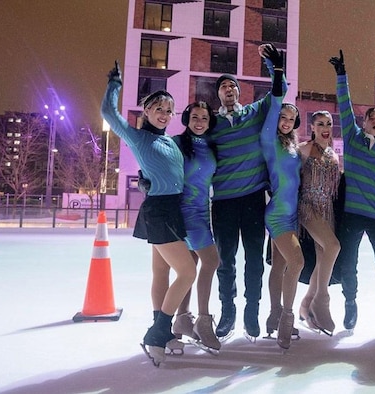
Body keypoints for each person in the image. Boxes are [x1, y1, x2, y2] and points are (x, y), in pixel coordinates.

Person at [101, 61, 197, 367]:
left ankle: (163, 332)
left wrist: (150, 180)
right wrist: (115, 83)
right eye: (159, 108)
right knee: (188, 272)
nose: (165, 114)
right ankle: (157, 333)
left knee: (162, 272)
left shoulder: (169, 140)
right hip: (159, 211)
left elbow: (170, 172)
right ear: (147, 111)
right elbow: (108, 114)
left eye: (169, 110)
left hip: (171, 208)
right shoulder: (139, 137)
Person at [208, 43, 286, 341]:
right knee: (225, 261)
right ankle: (228, 313)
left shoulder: (253, 113)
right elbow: (187, 148)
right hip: (224, 203)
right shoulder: (211, 124)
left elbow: (279, 94)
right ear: (218, 94)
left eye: (233, 85)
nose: (229, 88)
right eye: (224, 86)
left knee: (254, 260)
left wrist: (274, 67)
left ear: (239, 91)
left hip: (253, 200)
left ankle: (251, 312)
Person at [330, 50, 375, 334]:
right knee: (349, 262)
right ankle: (350, 304)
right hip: (352, 214)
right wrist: (341, 75)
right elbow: (344, 105)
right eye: (372, 117)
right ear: (364, 121)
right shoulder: (352, 138)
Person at [258, 47, 304, 349]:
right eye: (283, 117)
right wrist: (275, 69)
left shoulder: (292, 146)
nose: (286, 121)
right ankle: (287, 317)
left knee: (278, 267)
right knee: (297, 262)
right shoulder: (269, 140)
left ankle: (274, 315)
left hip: (293, 213)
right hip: (276, 214)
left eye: (291, 118)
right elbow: (275, 101)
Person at [168, 102, 222, 352]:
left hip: (204, 210)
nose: (199, 121)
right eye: (195, 117)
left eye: (204, 117)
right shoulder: (177, 144)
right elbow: (159, 166)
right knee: (211, 261)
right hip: (184, 211)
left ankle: (181, 319)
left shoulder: (211, 145)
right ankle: (203, 320)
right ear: (187, 119)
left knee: (191, 265)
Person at [297, 110, 341, 336]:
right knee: (333, 246)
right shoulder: (303, 150)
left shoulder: (334, 154)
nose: (325, 128)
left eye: (329, 124)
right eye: (320, 124)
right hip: (308, 208)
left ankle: (306, 305)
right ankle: (321, 299)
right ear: (312, 127)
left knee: (323, 258)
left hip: (327, 210)